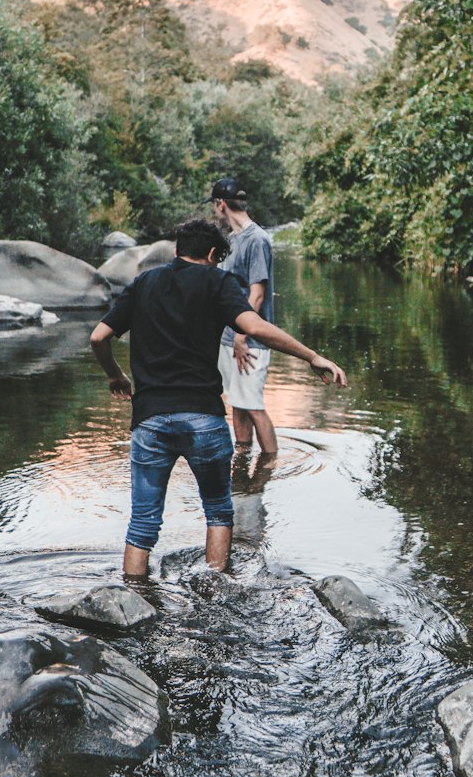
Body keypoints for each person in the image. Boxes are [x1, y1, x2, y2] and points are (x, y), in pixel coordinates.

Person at [89, 218, 346, 577]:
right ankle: (214, 593)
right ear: (212, 253)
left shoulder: (144, 282)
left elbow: (99, 337)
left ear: (178, 249)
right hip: (203, 419)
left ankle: (133, 599)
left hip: (148, 419)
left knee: (143, 524)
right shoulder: (218, 280)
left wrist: (116, 375)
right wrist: (312, 356)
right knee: (218, 512)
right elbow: (255, 327)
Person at [210, 176, 278, 456]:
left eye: (214, 207)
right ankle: (242, 457)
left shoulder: (257, 239)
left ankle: (270, 466)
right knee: (238, 402)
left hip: (250, 339)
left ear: (221, 204)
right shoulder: (231, 240)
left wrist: (241, 336)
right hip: (230, 338)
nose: (215, 213)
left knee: (253, 405)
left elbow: (257, 294)